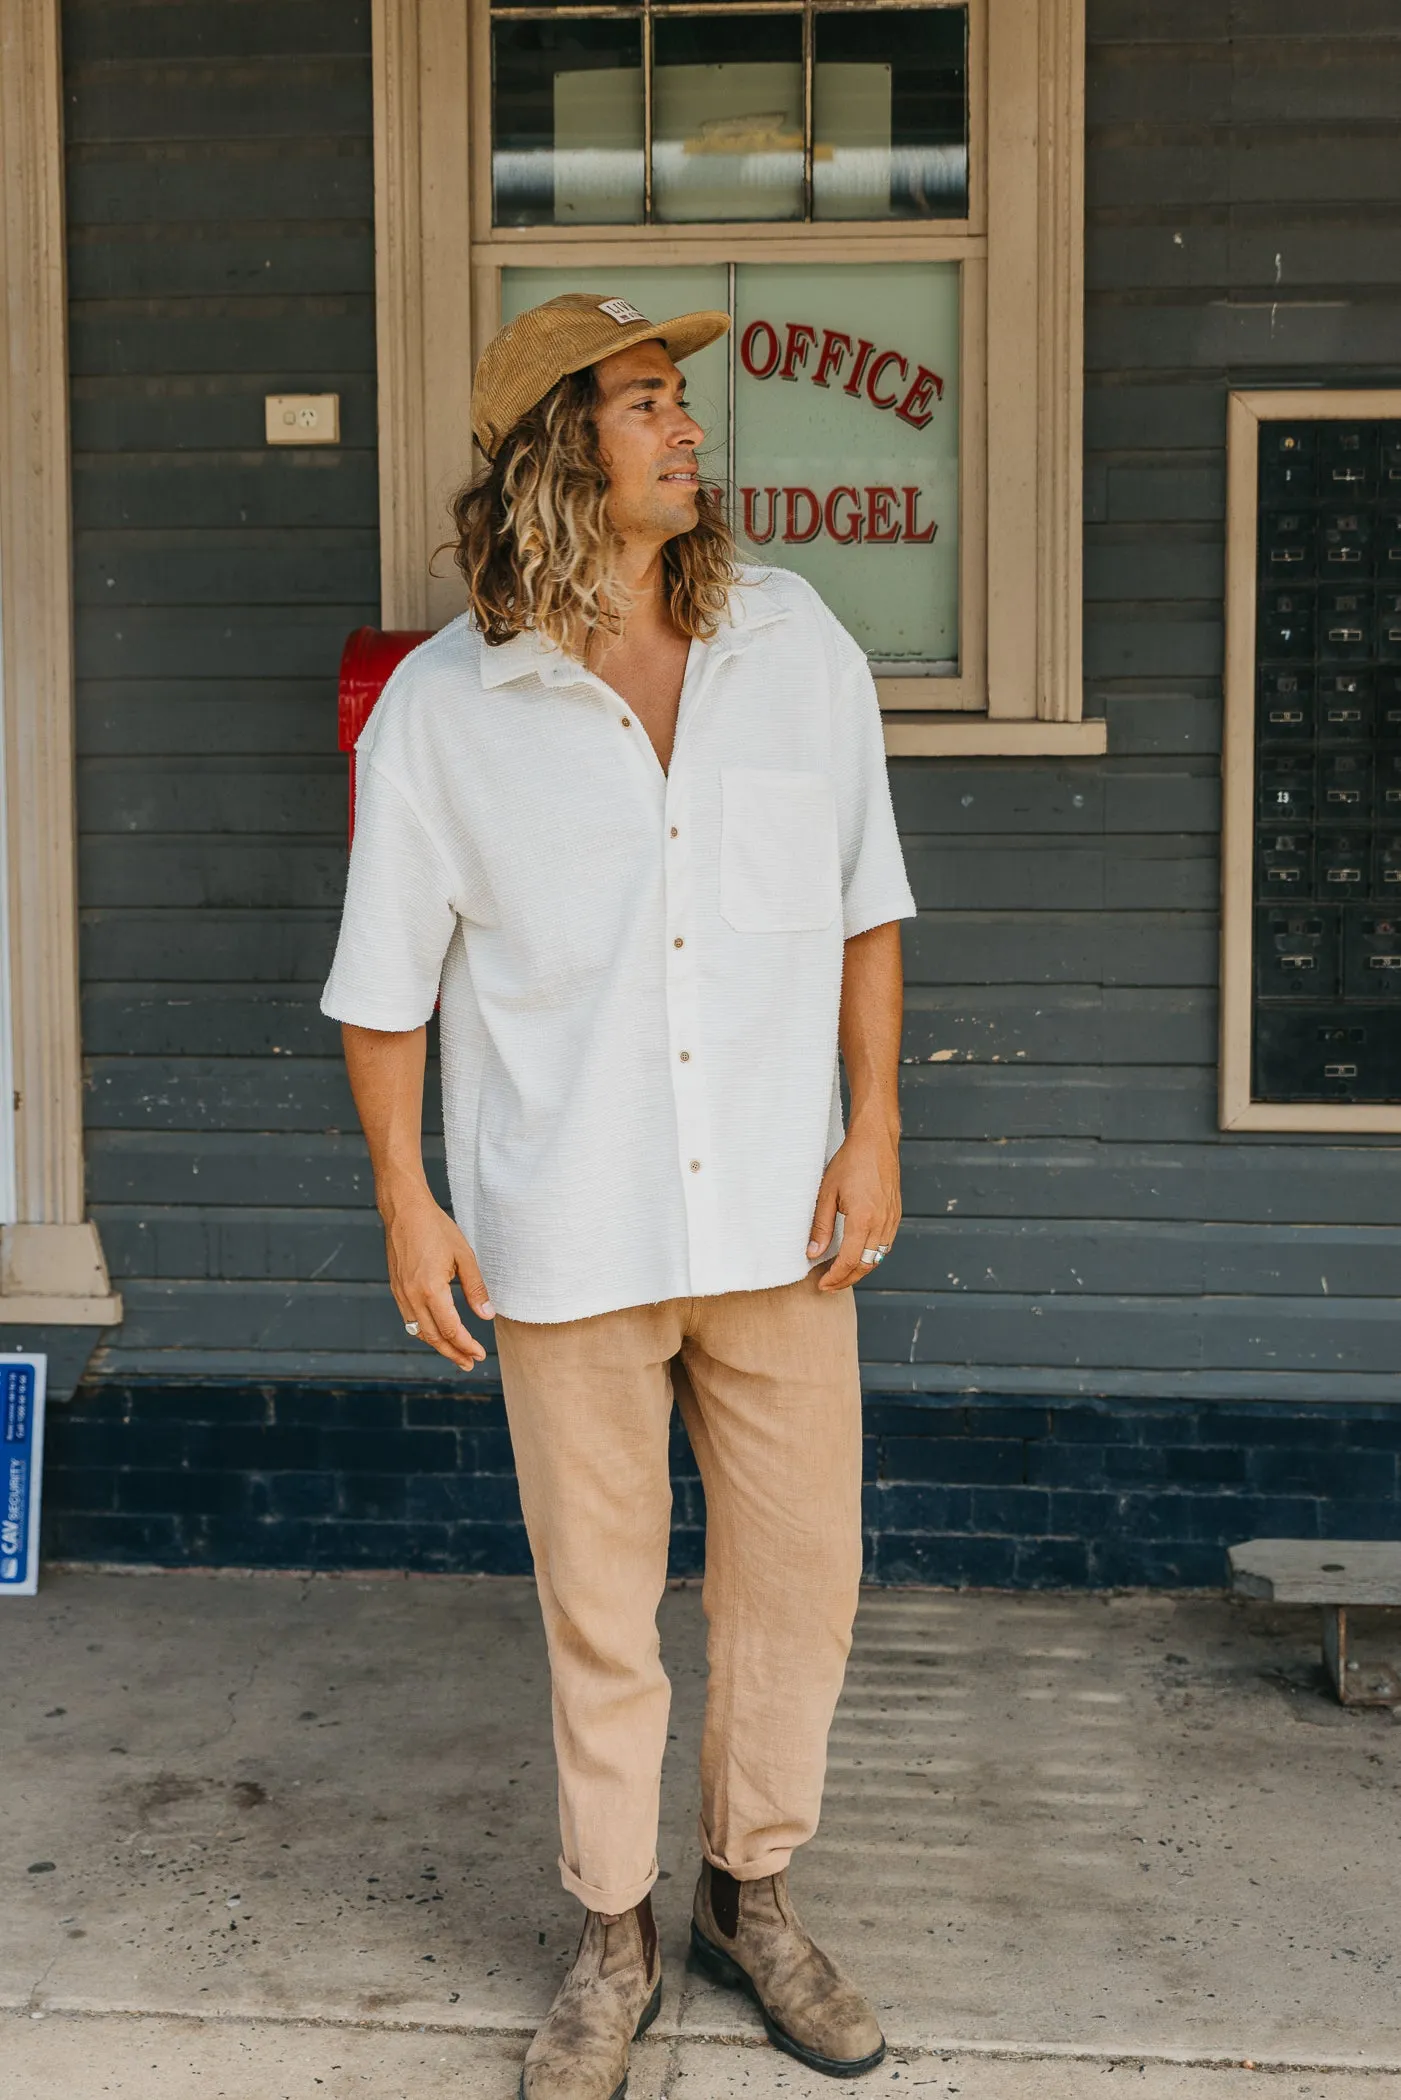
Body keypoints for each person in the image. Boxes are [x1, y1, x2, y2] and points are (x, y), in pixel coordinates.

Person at [321, 292, 916, 2100]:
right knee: (602, 1605)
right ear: (555, 450)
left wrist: (874, 1127)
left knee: (800, 1585)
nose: (687, 427)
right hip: (563, 1232)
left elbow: (866, 905)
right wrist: (408, 1207)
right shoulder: (442, 708)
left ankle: (754, 1895)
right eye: (648, 400)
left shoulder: (795, 643)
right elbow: (382, 991)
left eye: (681, 400)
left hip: (777, 1234)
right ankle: (612, 1933)